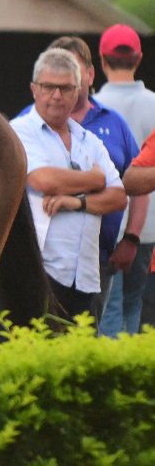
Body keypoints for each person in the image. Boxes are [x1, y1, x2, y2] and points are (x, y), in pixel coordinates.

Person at [17, 36, 146, 327]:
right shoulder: (23, 127)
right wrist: (94, 179)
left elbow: (122, 193)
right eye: (50, 85)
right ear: (35, 89)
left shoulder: (98, 133)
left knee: (87, 343)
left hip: (92, 264)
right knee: (35, 342)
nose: (57, 95)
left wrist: (76, 202)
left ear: (84, 81)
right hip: (38, 265)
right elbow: (43, 179)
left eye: (66, 85)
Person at [93, 24, 155, 336]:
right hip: (149, 228)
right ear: (138, 59)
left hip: (107, 222)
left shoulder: (93, 109)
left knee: (108, 309)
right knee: (136, 307)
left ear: (102, 60)